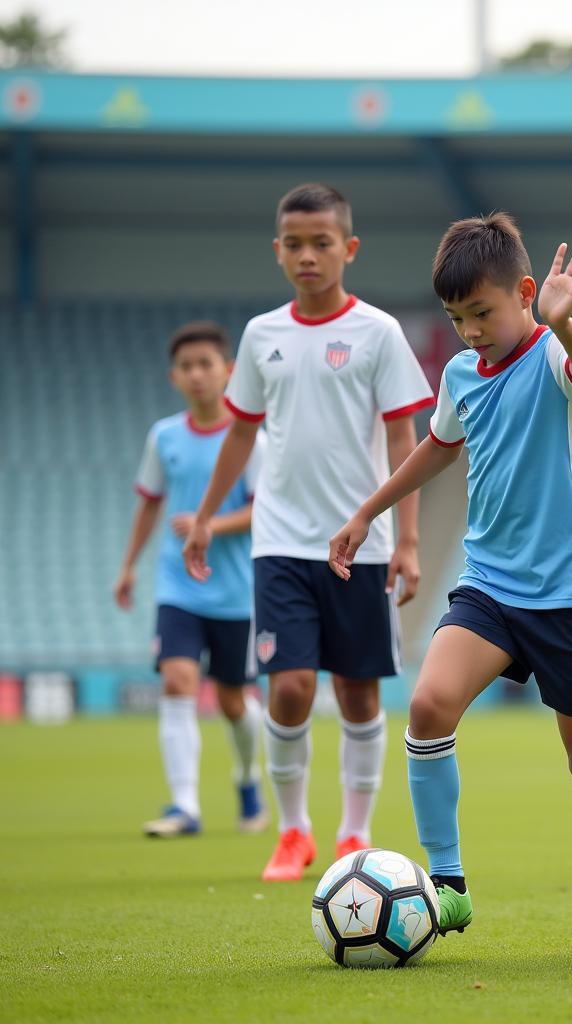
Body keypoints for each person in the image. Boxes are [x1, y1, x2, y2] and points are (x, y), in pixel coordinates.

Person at [329, 213, 572, 961]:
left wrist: (565, 327)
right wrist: (368, 512)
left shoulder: (553, 359)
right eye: (456, 317)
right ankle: (447, 884)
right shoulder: (462, 375)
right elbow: (439, 447)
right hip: (490, 585)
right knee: (430, 705)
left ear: (526, 294)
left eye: (483, 312)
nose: (470, 330)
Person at [183, 183, 434, 881]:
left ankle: (354, 833)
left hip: (362, 544)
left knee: (358, 691)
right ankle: (293, 829)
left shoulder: (378, 332)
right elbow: (240, 433)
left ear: (348, 248)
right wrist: (206, 516)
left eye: (322, 242)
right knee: (290, 686)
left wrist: (407, 539)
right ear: (277, 252)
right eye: (294, 244)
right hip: (281, 541)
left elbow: (403, 435)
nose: (308, 255)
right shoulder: (263, 335)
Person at [114, 321, 268, 838]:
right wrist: (129, 566)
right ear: (173, 377)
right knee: (177, 681)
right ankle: (185, 806)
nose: (197, 375)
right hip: (178, 584)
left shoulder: (250, 439)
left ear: (228, 372)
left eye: (206, 365)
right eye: (187, 367)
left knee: (232, 702)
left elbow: (263, 510)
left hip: (236, 591)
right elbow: (149, 504)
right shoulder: (164, 437)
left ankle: (247, 778)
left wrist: (209, 525)